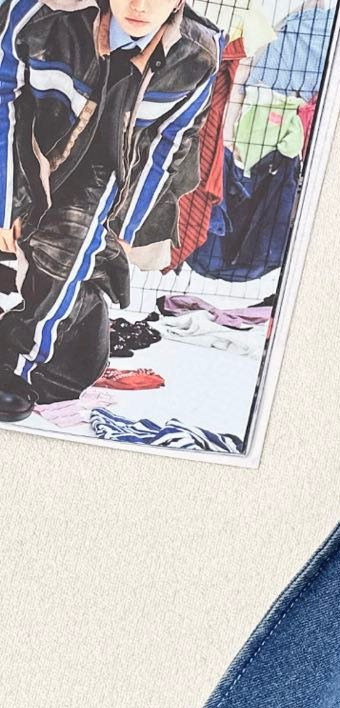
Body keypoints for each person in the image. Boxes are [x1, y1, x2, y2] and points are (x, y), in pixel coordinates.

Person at [0, 0, 220, 421]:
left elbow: (170, 142)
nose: (140, 5)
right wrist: (5, 197)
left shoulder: (197, 54)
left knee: (71, 255)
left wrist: (127, 222)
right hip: (26, 144)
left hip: (105, 170)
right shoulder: (39, 14)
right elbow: (2, 96)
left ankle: (17, 368)